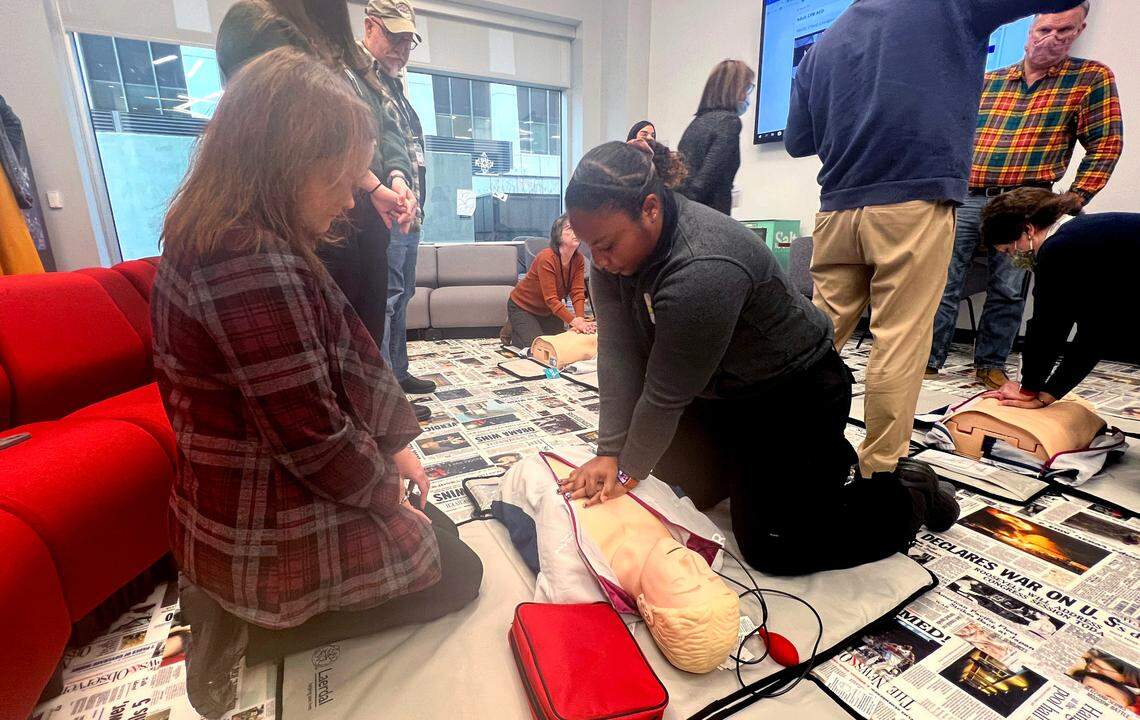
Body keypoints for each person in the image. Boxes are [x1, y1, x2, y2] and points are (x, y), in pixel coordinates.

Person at [151, 49, 482, 716]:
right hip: (261, 510)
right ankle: (252, 627)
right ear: (286, 165)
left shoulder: (231, 231)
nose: (347, 199)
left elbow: (341, 352)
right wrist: (385, 492)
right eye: (336, 179)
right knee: (458, 572)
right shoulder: (247, 260)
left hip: (241, 491)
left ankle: (233, 597)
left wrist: (392, 444)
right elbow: (314, 440)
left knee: (432, 526)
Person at [557, 141, 958, 576]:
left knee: (775, 544)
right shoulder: (611, 250)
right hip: (720, 391)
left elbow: (665, 392)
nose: (598, 261)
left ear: (650, 209)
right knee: (680, 490)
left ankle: (908, 492)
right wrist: (609, 451)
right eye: (588, 247)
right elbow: (618, 357)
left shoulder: (702, 266)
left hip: (792, 393)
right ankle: (818, 466)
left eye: (607, 246)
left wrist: (624, 470)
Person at [784, 0, 1088, 479]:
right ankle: (878, 474)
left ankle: (784, 450)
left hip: (837, 208)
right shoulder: (946, 4)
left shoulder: (821, 46)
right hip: (913, 199)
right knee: (898, 342)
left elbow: (798, 141)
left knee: (816, 340)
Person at [215, 0, 433, 421]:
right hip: (289, 465)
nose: (348, 198)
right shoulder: (255, 258)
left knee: (360, 319)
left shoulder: (364, 74)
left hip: (354, 222)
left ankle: (373, 406)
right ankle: (368, 409)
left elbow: (378, 139)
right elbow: (307, 429)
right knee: (344, 326)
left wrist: (381, 185)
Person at [928, 2, 1123, 389]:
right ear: (1030, 30)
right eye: (1044, 30)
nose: (1051, 38)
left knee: (1009, 288)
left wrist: (1073, 201)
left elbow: (1106, 143)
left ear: (1079, 29)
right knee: (940, 281)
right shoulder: (989, 80)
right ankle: (929, 359)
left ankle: (990, 364)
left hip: (1028, 200)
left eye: (1063, 32)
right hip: (967, 196)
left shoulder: (1090, 78)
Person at [979, 189, 1139, 409]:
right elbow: (1096, 332)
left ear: (1028, 230)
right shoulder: (1083, 234)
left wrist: (1028, 390)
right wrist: (1047, 394)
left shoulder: (1058, 248)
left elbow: (1049, 327)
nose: (1012, 257)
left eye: (1009, 249)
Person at [361, 0, 440, 405]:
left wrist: (407, 192)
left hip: (406, 211)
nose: (402, 49)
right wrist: (388, 188)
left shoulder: (392, 84)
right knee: (388, 300)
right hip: (380, 214)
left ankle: (399, 373)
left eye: (408, 41)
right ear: (370, 27)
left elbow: (400, 149)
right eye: (394, 38)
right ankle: (388, 391)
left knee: (403, 294)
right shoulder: (357, 77)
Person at [676, 60, 754, 215]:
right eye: (747, 88)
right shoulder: (729, 122)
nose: (747, 96)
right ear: (734, 88)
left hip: (684, 214)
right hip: (708, 217)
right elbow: (704, 182)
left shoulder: (696, 123)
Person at [506, 214, 594, 347]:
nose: (575, 232)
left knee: (557, 343)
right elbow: (551, 299)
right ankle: (512, 330)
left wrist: (580, 318)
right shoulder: (546, 258)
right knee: (535, 345)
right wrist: (574, 322)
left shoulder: (578, 259)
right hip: (523, 307)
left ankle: (528, 327)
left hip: (548, 310)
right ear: (558, 235)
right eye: (569, 228)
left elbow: (577, 292)